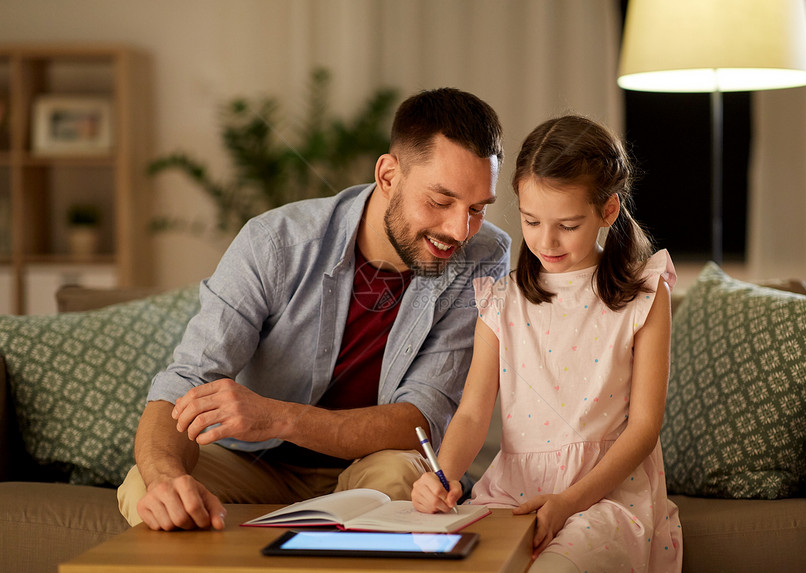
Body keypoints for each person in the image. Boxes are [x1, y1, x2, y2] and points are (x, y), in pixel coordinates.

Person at [117, 88, 511, 531]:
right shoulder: (275, 242)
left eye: (477, 208)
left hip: (368, 467)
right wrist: (167, 477)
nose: (460, 229)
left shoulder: (483, 256)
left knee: (402, 472)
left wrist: (275, 416)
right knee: (145, 488)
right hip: (254, 464)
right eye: (440, 201)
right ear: (387, 175)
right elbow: (186, 381)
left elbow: (419, 418)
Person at [411, 114, 682, 572]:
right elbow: (474, 411)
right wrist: (444, 475)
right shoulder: (501, 300)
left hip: (604, 498)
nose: (546, 241)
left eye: (568, 226)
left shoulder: (646, 294)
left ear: (608, 210)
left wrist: (567, 502)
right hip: (511, 493)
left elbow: (643, 429)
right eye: (531, 221)